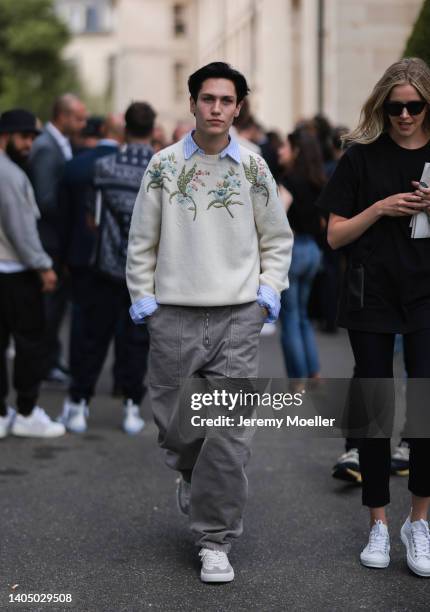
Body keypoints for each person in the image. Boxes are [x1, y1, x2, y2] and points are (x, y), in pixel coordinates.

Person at [126, 62, 292, 583]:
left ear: (238, 107)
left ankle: (215, 539)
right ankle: (192, 475)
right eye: (207, 99)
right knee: (176, 429)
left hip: (239, 316)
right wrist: (146, 303)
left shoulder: (254, 167)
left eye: (226, 100)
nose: (216, 108)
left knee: (228, 433)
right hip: (173, 314)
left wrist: (267, 295)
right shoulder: (162, 166)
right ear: (193, 102)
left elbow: (277, 238)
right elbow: (141, 242)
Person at [317, 57, 430, 577]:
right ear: (382, 104)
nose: (404, 115)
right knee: (375, 409)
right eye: (395, 106)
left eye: (414, 106)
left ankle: (419, 522)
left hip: (426, 295)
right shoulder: (360, 158)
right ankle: (379, 524)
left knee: (427, 412)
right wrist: (380, 208)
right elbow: (335, 235)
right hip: (372, 296)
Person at [57, 103, 154, 435]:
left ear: (124, 129)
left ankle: (80, 407)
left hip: (104, 266)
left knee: (91, 338)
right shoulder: (164, 169)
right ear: (153, 131)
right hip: (143, 273)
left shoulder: (103, 167)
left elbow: (92, 219)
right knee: (135, 342)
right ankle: (130, 408)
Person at [0, 109, 65, 438]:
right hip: (16, 272)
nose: (29, 144)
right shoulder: (9, 174)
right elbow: (21, 230)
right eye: (24, 137)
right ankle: (25, 412)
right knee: (31, 344)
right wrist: (43, 267)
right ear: (6, 136)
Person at [57, 114, 125, 400]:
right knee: (122, 320)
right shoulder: (127, 167)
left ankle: (79, 379)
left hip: (80, 254)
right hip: (119, 257)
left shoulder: (75, 166)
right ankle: (122, 383)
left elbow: (63, 215)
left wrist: (62, 256)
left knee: (82, 319)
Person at [28, 93, 87, 384]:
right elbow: (44, 199)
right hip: (49, 240)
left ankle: (50, 361)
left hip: (57, 239)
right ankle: (39, 367)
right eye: (78, 118)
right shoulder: (47, 148)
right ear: (62, 116)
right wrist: (76, 206)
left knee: (55, 308)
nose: (83, 124)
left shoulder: (59, 145)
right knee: (47, 308)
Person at [278, 129, 325, 382]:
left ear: (296, 150)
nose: (280, 150)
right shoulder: (319, 180)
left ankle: (297, 377)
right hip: (313, 251)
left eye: (285, 146)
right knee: (304, 315)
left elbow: (276, 217)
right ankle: (314, 370)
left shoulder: (290, 181)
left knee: (290, 317)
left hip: (293, 250)